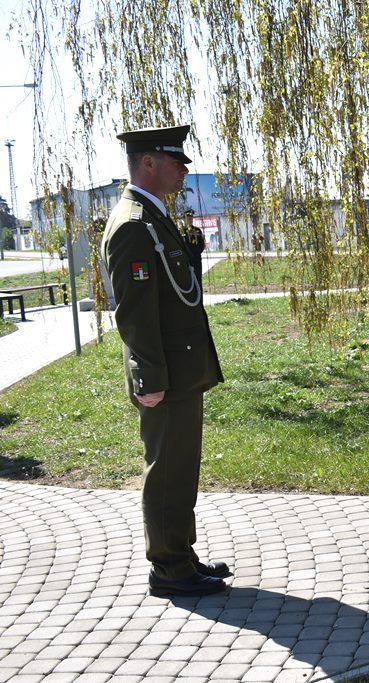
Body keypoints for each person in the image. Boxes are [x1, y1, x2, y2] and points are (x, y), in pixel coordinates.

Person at [101, 124, 229, 597]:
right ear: (148, 162)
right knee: (167, 472)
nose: (183, 170)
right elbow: (134, 313)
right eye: (175, 161)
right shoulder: (134, 225)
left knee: (181, 468)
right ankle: (169, 570)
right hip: (165, 375)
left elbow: (171, 293)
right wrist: (148, 377)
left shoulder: (154, 218)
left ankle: (181, 554)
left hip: (180, 369)